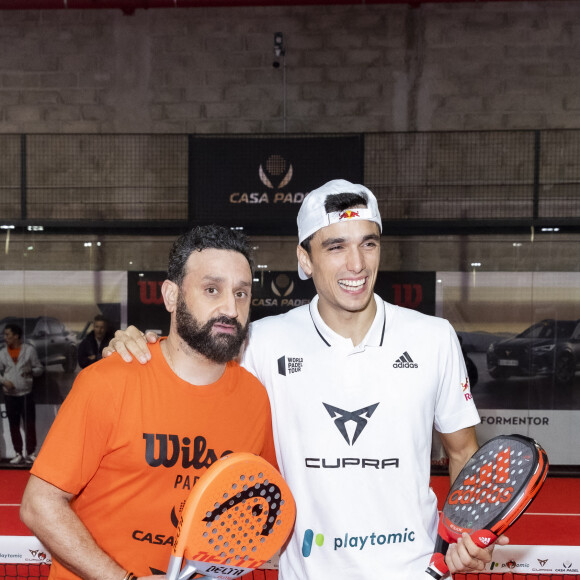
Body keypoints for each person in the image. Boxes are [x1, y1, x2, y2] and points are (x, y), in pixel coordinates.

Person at [104, 180, 508, 579]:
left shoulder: (433, 337)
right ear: (305, 258)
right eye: (336, 247)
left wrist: (468, 534)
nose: (357, 264)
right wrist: (139, 344)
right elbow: (188, 368)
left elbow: (462, 452)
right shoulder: (261, 342)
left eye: (369, 243)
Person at [20, 225, 276, 580]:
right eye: (211, 289)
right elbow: (39, 505)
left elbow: (257, 509)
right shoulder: (108, 381)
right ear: (171, 296)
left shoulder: (255, 399)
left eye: (242, 293)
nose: (230, 309)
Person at [0, 323, 44, 465]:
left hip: (26, 393)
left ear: (16, 335)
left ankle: (31, 453)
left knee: (29, 424)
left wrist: (31, 371)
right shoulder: (2, 353)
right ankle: (18, 453)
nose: (5, 337)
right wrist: (4, 381)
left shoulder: (29, 350)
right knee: (13, 425)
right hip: (10, 395)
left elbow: (39, 368)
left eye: (8, 334)